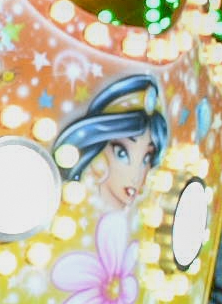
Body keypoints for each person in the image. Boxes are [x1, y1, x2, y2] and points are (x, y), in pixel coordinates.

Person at [55, 76, 167, 227]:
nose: (136, 176)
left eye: (146, 158)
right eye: (122, 153)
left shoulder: (137, 221)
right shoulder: (72, 216)